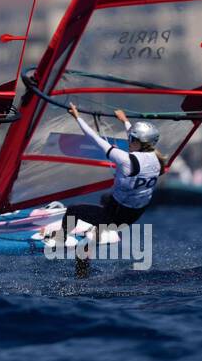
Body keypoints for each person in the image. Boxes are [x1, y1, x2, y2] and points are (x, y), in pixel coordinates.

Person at [53, 103, 164, 275]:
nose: (129, 141)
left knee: (73, 211)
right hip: (134, 213)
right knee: (105, 199)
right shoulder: (157, 160)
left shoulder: (125, 160)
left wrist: (77, 117)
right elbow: (138, 141)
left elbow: (94, 139)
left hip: (116, 214)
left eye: (131, 139)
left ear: (136, 141)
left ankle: (60, 242)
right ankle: (96, 236)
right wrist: (125, 121)